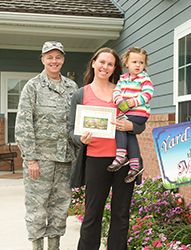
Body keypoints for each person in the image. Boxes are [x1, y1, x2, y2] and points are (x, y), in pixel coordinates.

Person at [69, 47, 145, 250]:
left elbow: (140, 121)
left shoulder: (124, 89)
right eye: (102, 62)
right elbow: (71, 130)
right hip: (95, 160)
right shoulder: (80, 94)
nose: (105, 67)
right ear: (93, 63)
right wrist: (81, 140)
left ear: (115, 68)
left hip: (125, 161)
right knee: (93, 214)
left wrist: (132, 126)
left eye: (110, 64)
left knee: (121, 215)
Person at [15, 41, 78, 250]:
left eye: (58, 57)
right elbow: (24, 124)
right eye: (49, 57)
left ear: (63, 60)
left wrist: (78, 152)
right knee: (37, 206)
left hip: (65, 159)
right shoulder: (32, 86)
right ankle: (37, 247)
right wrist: (30, 158)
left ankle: (54, 246)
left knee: (60, 206)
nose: (54, 61)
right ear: (42, 60)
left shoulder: (72, 87)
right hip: (40, 160)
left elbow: (77, 122)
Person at [107, 47, 154, 183]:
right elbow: (116, 91)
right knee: (129, 134)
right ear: (127, 63)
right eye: (134, 62)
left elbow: (148, 93)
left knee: (118, 124)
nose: (138, 65)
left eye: (141, 62)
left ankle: (121, 156)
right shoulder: (123, 78)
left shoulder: (144, 78)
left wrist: (131, 102)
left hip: (139, 113)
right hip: (128, 111)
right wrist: (119, 100)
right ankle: (135, 165)